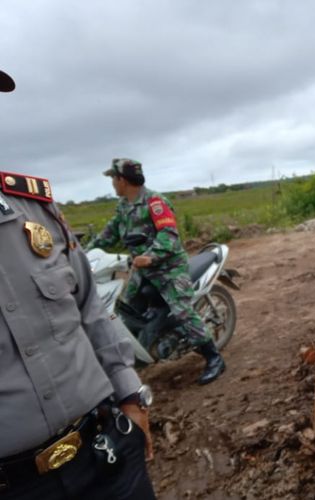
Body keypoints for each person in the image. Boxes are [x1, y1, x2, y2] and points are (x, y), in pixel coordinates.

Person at [0, 69, 156, 499]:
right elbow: (106, 236)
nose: (115, 183)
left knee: (177, 306)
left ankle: (207, 351)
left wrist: (130, 397)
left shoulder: (33, 211)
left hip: (106, 450)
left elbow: (91, 309)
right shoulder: (117, 209)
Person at [87, 158, 225, 385]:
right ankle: (142, 351)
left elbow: (169, 235)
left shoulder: (155, 202)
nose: (112, 183)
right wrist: (81, 251)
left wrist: (150, 256)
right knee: (126, 309)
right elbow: (108, 235)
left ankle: (214, 358)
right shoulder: (124, 206)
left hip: (169, 268)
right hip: (142, 270)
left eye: (113, 178)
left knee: (182, 312)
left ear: (123, 179)